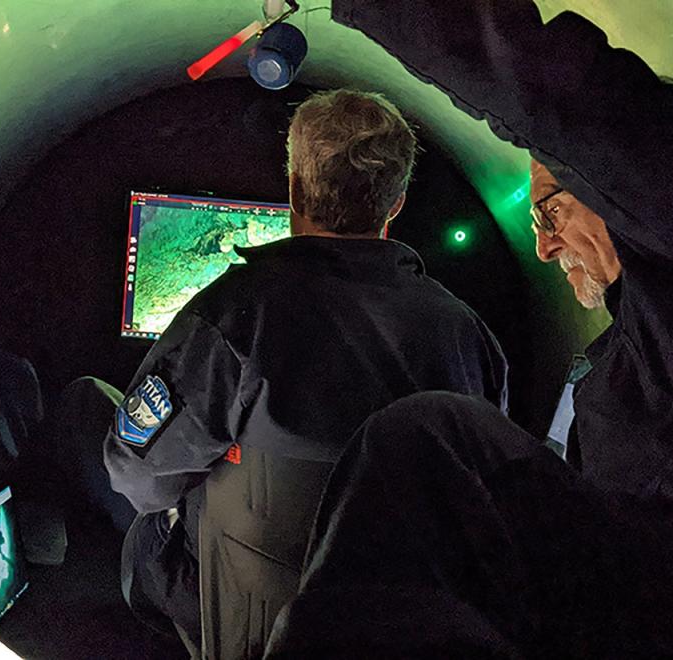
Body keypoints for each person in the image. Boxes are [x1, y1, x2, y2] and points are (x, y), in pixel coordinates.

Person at [266, 0, 673, 655]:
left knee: (427, 435)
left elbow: (558, 98)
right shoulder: (592, 351)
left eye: (548, 213)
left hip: (667, 600)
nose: (543, 247)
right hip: (616, 591)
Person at [104, 89, 509, 655]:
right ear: (395, 205)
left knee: (94, 420)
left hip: (253, 624)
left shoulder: (230, 320)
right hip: (406, 628)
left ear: (294, 187)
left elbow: (135, 474)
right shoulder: (471, 338)